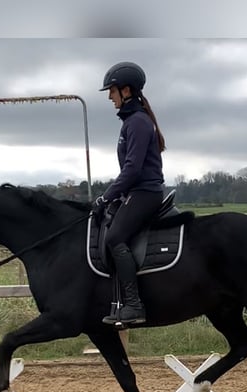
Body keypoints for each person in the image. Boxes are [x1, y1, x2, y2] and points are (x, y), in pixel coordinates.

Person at [92, 61, 167, 328]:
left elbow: (133, 169)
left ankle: (134, 305)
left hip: (145, 192)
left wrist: (106, 196)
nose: (110, 97)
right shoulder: (132, 122)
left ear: (125, 91)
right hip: (137, 191)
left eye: (111, 91)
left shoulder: (137, 122)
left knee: (114, 238)